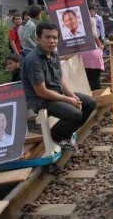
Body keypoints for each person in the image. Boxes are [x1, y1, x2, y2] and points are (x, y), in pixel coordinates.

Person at [22, 22, 96, 151]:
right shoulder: (33, 60)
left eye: (54, 38)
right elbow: (41, 92)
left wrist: (72, 95)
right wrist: (68, 100)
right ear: (38, 39)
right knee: (76, 114)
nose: (52, 41)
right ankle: (56, 135)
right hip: (41, 100)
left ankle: (65, 135)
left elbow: (61, 78)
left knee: (90, 103)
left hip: (57, 93)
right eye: (47, 37)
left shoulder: (54, 53)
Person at [81, 4, 105, 91]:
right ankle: (98, 99)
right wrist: (100, 46)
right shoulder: (91, 20)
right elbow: (94, 35)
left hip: (81, 53)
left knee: (87, 80)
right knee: (95, 79)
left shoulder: (77, 21)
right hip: (92, 51)